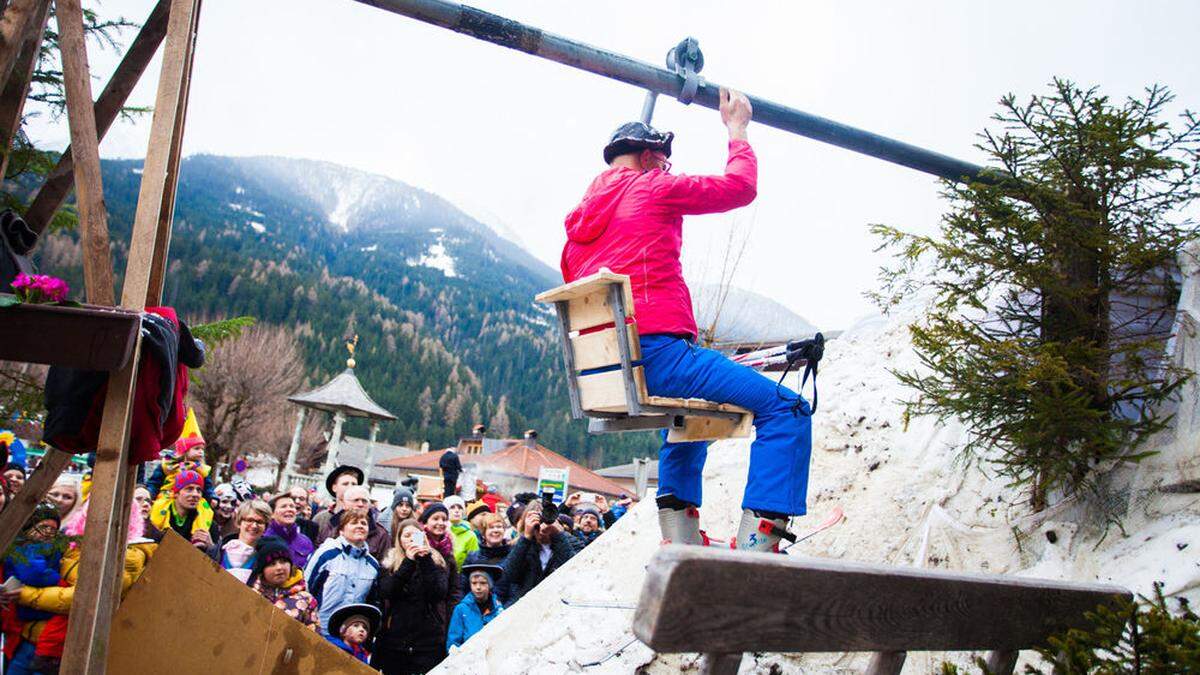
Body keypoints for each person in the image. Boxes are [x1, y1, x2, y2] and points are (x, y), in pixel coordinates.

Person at [560, 89, 812, 552]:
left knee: (688, 415)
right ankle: (761, 546)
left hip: (612, 370)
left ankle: (679, 538)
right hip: (660, 354)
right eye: (662, 159)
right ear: (650, 156)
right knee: (788, 409)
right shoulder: (652, 186)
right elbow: (739, 187)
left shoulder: (577, 228)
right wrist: (737, 129)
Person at [3, 502, 152, 674]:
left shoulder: (130, 554)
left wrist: (25, 594)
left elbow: (85, 597)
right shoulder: (75, 542)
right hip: (31, 639)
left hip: (65, 647)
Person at [373, 518, 450, 674]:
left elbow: (438, 593)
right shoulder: (389, 562)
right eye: (406, 535)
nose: (410, 540)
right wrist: (408, 561)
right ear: (399, 539)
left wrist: (425, 560)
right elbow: (387, 591)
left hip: (427, 640)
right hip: (395, 639)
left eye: (415, 535)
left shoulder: (435, 561)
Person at [304, 508, 380, 635]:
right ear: (341, 530)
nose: (360, 526)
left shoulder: (372, 565)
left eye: (363, 523)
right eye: (354, 523)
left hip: (350, 636)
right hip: (321, 629)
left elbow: (371, 600)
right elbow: (306, 587)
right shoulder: (326, 554)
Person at [499, 501, 575, 604]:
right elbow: (508, 575)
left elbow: (573, 572)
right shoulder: (520, 545)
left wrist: (558, 535)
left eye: (545, 520)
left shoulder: (568, 542)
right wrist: (526, 538)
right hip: (523, 605)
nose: (542, 527)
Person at [248, 536, 319, 630]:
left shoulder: (306, 599)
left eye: (283, 562)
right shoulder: (250, 593)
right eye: (272, 564)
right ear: (262, 569)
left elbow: (313, 635)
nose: (279, 567)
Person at [149, 469, 218, 554]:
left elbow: (216, 562)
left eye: (199, 490)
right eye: (189, 489)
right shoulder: (155, 516)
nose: (195, 494)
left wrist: (210, 546)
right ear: (176, 493)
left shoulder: (207, 522)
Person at [145, 436, 215, 514]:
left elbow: (208, 487)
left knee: (204, 513)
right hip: (167, 498)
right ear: (184, 450)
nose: (201, 451)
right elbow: (155, 482)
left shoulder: (202, 470)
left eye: (202, 449)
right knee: (158, 511)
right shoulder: (168, 465)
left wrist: (212, 497)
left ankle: (200, 526)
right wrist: (149, 494)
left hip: (192, 502)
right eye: (197, 448)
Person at [318, 485, 390, 560]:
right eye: (356, 500)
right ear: (344, 504)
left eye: (364, 501)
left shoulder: (381, 534)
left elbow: (384, 567)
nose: (360, 504)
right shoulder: (331, 526)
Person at [446, 563, 503, 651]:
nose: (478, 587)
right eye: (474, 583)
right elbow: (453, 641)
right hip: (468, 658)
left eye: (483, 583)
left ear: (490, 585)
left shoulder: (499, 609)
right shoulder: (461, 609)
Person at [218, 500, 270, 583]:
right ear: (239, 522)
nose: (254, 526)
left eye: (260, 522)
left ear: (265, 527)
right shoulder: (217, 551)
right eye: (249, 520)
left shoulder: (267, 558)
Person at [312, 465, 363, 545]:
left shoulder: (366, 523)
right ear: (334, 487)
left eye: (354, 484)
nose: (350, 487)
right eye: (345, 484)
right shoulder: (320, 519)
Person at [265, 493, 316, 570]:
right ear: (272, 514)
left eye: (292, 506)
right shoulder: (263, 540)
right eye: (283, 506)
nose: (289, 509)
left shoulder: (306, 541)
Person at [443, 496, 479, 569]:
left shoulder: (470, 535)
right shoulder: (439, 531)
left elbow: (474, 562)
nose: (457, 510)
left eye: (460, 508)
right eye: (452, 507)